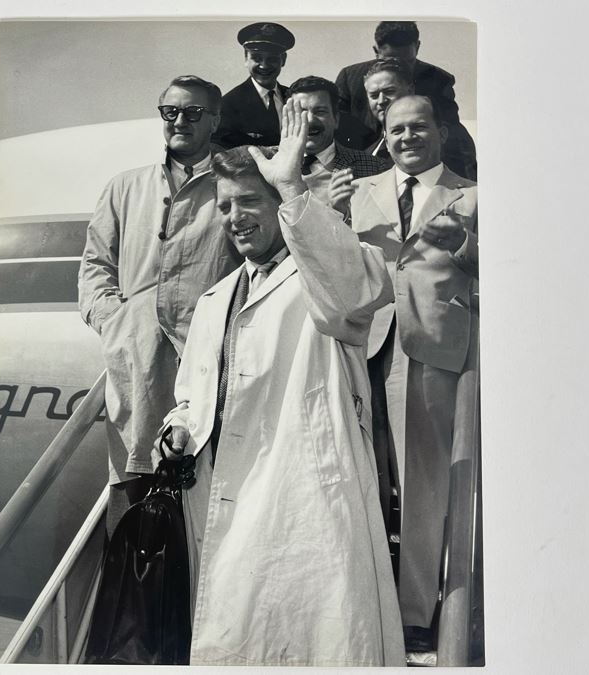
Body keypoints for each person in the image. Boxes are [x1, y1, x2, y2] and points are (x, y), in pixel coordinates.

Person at [157, 99, 404, 666]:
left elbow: (359, 291)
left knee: (318, 638)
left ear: (282, 206)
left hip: (305, 496)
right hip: (228, 493)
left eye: (249, 201)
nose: (235, 217)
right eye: (225, 206)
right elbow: (190, 395)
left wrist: (294, 189)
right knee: (241, 638)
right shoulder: (215, 298)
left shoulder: (324, 274)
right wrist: (176, 428)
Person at [78, 75, 241, 536]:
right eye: (171, 112)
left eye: (193, 113)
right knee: (132, 496)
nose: (180, 121)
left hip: (211, 366)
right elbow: (95, 267)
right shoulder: (124, 187)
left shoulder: (232, 187)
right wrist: (117, 322)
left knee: (207, 502)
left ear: (215, 120)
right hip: (138, 366)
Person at [348, 95, 478, 650]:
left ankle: (415, 616)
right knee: (360, 480)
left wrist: (468, 247)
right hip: (359, 348)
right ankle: (362, 606)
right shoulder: (356, 194)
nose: (407, 137)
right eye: (396, 129)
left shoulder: (473, 195)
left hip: (431, 350)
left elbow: (512, 267)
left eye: (418, 127)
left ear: (441, 132)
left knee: (425, 487)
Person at [335, 21, 477, 180]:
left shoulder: (438, 79)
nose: (400, 69)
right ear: (376, 51)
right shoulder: (350, 77)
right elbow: (339, 132)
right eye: (390, 61)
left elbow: (452, 135)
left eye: (408, 62)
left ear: (417, 47)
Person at [285, 75, 388, 218]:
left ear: (336, 119)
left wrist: (340, 213)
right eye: (301, 112)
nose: (310, 120)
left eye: (320, 111)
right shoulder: (269, 165)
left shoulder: (374, 168)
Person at [212, 22, 295, 149]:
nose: (264, 65)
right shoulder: (229, 104)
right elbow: (221, 152)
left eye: (272, 59)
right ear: (246, 59)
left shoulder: (293, 98)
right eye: (256, 58)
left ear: (283, 60)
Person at [361, 58, 414, 160]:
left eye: (389, 91)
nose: (381, 101)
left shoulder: (432, 141)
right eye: (374, 95)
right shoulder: (367, 155)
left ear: (410, 91)